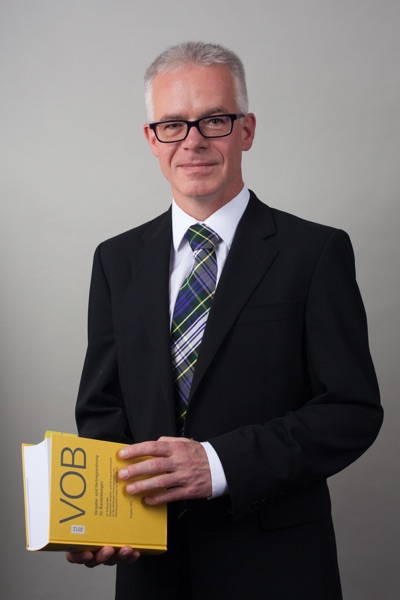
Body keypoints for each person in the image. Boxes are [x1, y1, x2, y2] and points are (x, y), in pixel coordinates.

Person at [67, 41, 383, 599]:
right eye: (172, 125)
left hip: (276, 571)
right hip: (151, 572)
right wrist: (102, 515)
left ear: (247, 130)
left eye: (214, 120)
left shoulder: (314, 253)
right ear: (151, 139)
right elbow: (102, 410)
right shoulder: (115, 261)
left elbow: (350, 411)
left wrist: (216, 464)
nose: (192, 141)